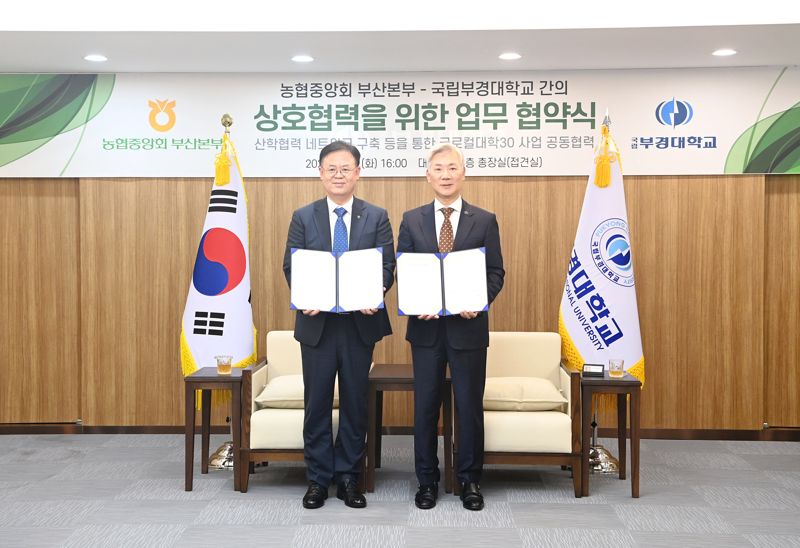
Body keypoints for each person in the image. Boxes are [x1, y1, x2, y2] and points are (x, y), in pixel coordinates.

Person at [283, 141, 395, 509]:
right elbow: (291, 266)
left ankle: (349, 476)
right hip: (318, 326)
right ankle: (317, 479)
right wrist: (306, 295)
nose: (339, 175)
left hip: (358, 325)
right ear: (320, 173)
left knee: (354, 402)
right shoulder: (304, 216)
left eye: (346, 169)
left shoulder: (376, 216)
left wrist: (376, 289)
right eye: (331, 169)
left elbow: (386, 266)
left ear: (358, 173)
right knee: (316, 403)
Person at [397, 143, 505, 511]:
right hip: (426, 331)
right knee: (425, 407)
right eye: (438, 169)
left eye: (452, 168)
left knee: (469, 406)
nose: (445, 175)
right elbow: (405, 269)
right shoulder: (411, 220)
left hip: (469, 329)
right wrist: (416, 303)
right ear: (428, 176)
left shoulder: (485, 219)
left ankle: (470, 479)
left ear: (463, 173)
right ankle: (426, 481)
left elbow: (495, 273)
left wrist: (477, 302)